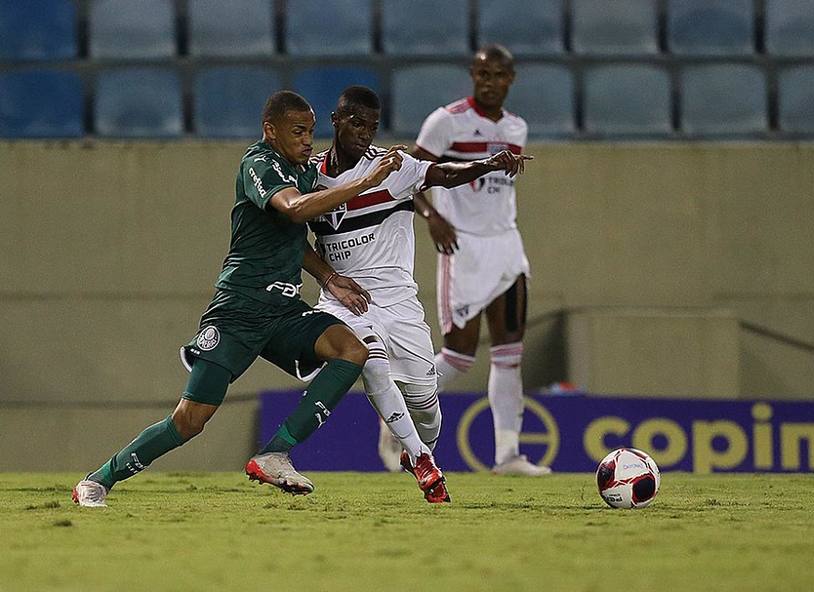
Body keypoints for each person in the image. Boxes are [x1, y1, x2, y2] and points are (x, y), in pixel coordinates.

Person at [72, 90, 403, 507]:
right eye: (297, 131)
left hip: (282, 310)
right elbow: (296, 210)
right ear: (271, 130)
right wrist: (367, 182)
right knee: (190, 421)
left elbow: (293, 236)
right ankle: (99, 479)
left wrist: (329, 276)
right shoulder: (258, 163)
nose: (307, 140)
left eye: (310, 131)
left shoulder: (300, 169)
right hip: (239, 309)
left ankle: (275, 453)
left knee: (351, 350)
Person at [302, 85, 530, 502]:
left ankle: (415, 443)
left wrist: (488, 164)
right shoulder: (309, 176)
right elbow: (292, 235)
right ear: (335, 121)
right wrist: (328, 277)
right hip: (344, 299)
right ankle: (422, 459)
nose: (364, 133)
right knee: (367, 356)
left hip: (398, 301)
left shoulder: (394, 167)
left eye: (371, 126)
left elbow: (443, 173)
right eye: (355, 123)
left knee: (426, 406)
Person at [398, 44, 551, 476]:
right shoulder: (444, 122)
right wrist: (431, 218)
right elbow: (408, 178)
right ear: (472, 75)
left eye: (499, 75)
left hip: (506, 244)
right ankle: (398, 414)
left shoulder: (517, 128)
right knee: (460, 356)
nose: (490, 82)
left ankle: (508, 456)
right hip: (461, 245)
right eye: (483, 75)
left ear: (511, 79)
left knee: (509, 353)